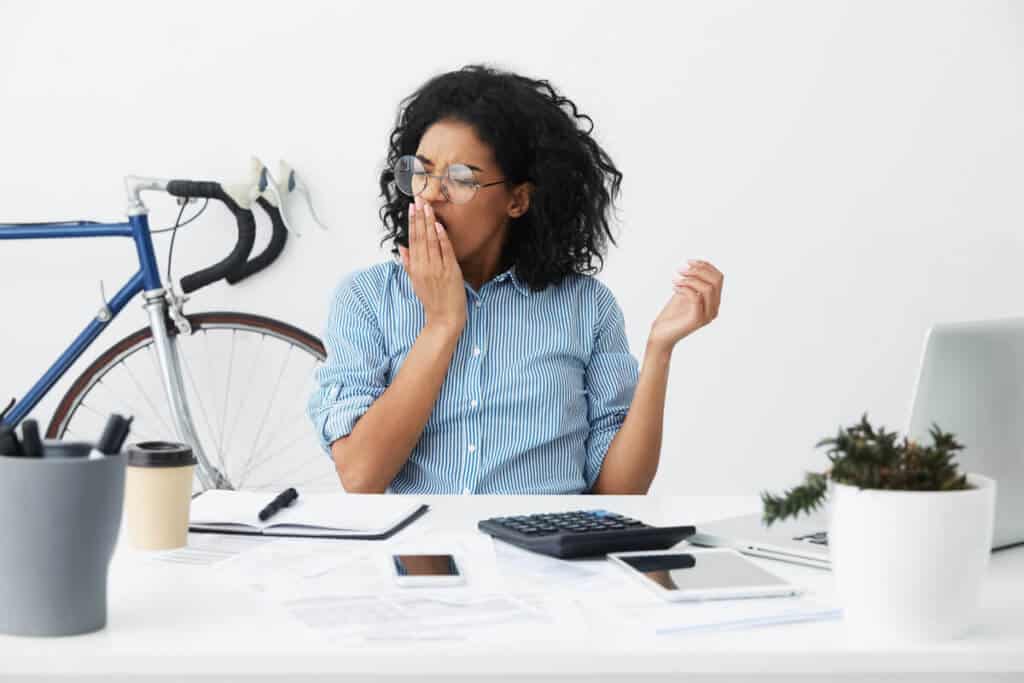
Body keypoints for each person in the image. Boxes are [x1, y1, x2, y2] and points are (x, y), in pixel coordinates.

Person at [307, 64, 723, 494]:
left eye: (460, 178)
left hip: (548, 554)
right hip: (423, 556)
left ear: (518, 200)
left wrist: (660, 349)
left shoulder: (586, 307)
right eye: (422, 171)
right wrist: (443, 324)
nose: (430, 193)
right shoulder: (367, 298)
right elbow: (360, 475)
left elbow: (619, 496)